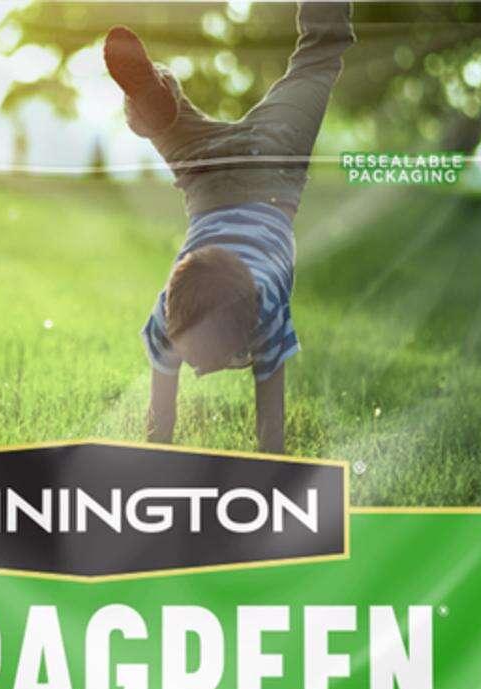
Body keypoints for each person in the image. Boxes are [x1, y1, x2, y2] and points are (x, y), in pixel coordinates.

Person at [105, 2, 355, 453]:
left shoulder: (261, 313)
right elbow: (267, 432)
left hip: (264, 163)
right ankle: (154, 101)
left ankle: (153, 100)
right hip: (215, 171)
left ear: (248, 331)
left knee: (317, 56)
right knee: (313, 59)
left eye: (202, 362)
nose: (198, 370)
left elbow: (264, 431)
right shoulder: (170, 317)